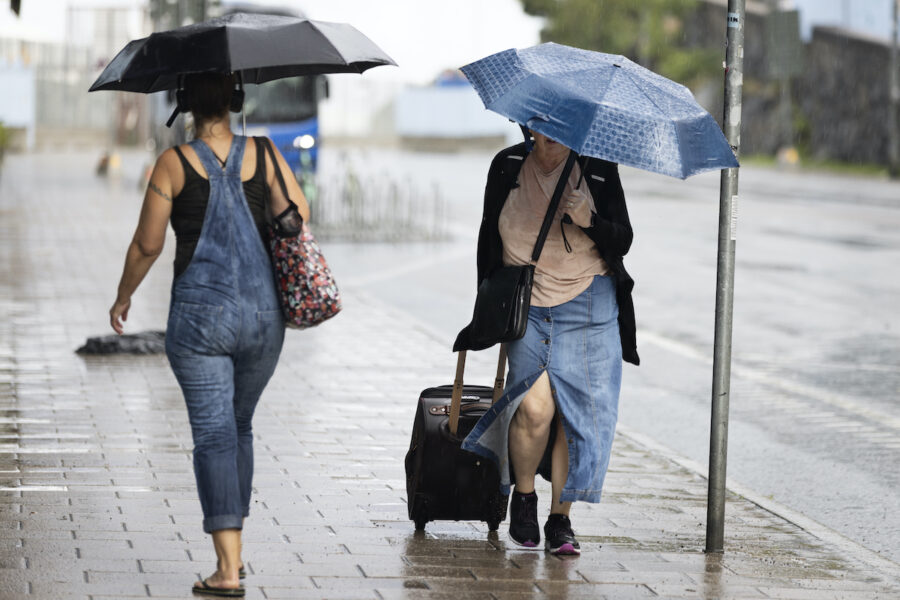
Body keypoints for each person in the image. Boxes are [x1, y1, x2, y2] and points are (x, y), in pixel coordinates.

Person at [109, 72, 309, 597]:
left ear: (184, 105)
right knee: (238, 426)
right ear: (236, 99)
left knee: (215, 435)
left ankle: (227, 569)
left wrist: (123, 295)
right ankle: (234, 552)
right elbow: (300, 216)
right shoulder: (264, 154)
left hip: (200, 321)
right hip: (265, 317)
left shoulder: (173, 165)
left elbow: (148, 244)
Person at [454, 131, 639, 556]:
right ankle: (524, 498)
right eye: (541, 126)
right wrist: (488, 302)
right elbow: (488, 236)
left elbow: (623, 239)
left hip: (589, 307)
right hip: (529, 302)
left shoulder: (595, 168)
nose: (549, 135)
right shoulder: (507, 164)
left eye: (559, 128)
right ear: (528, 125)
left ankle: (561, 520)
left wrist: (589, 219)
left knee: (575, 417)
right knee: (534, 408)